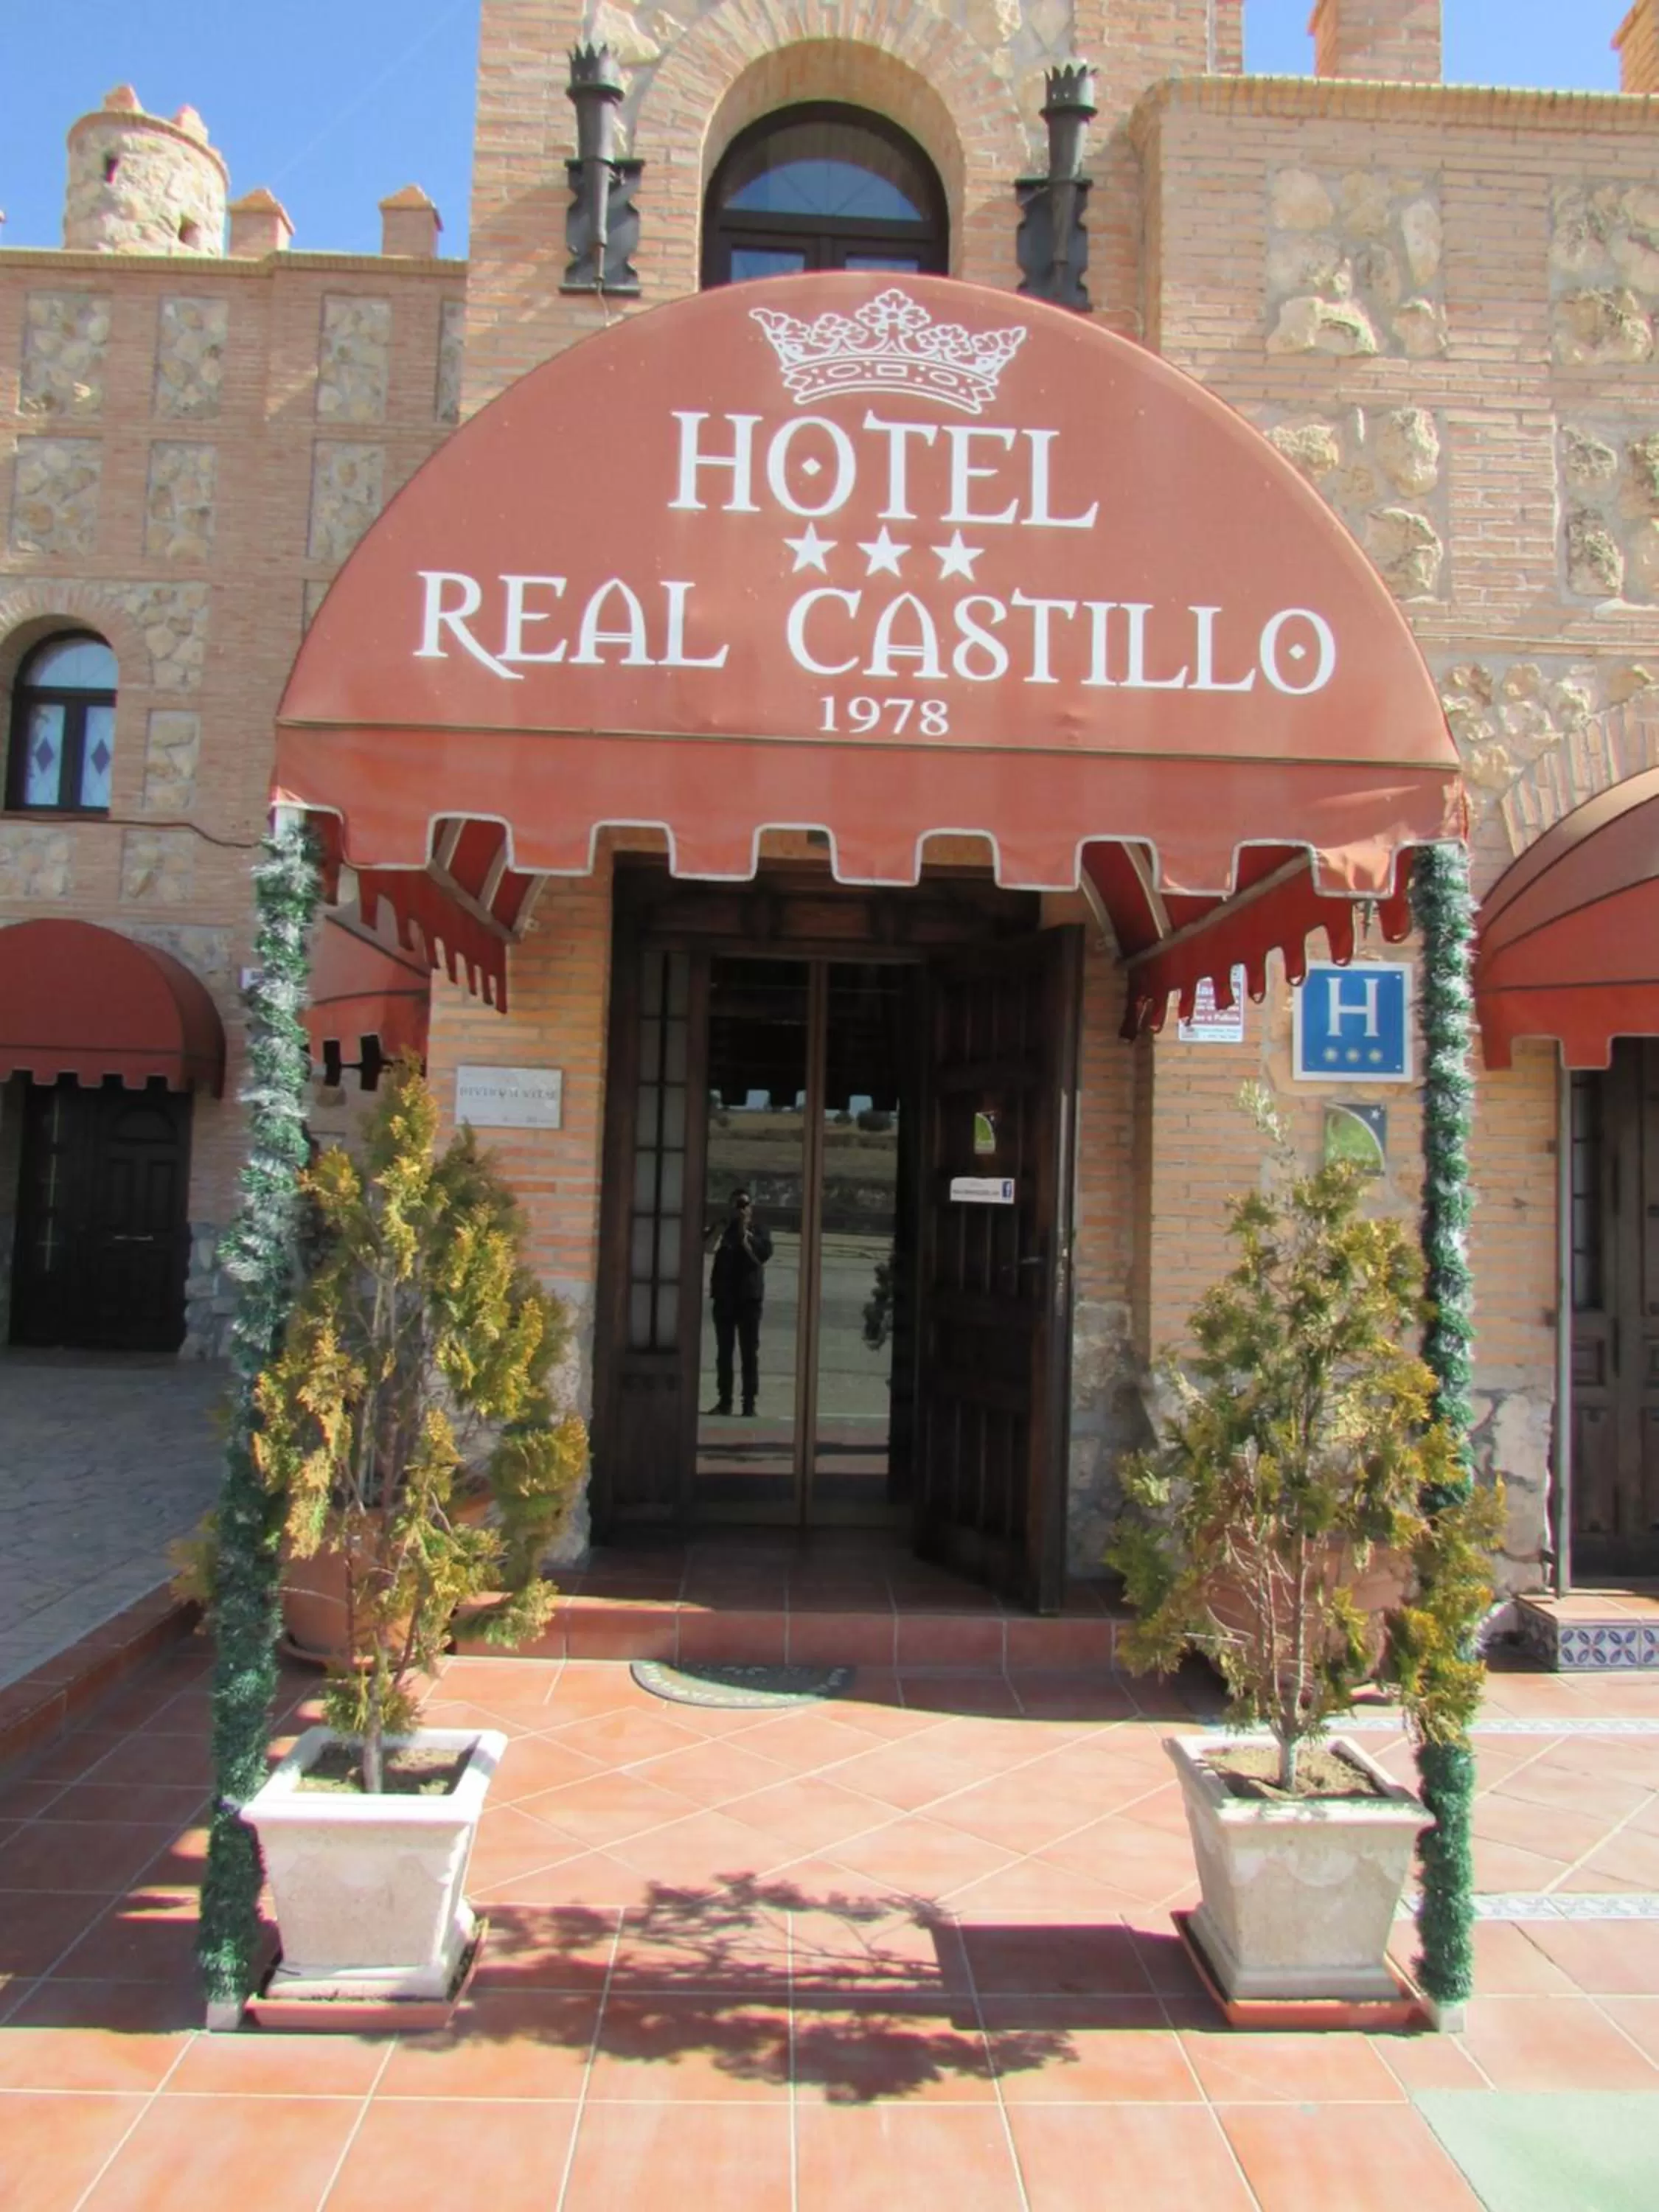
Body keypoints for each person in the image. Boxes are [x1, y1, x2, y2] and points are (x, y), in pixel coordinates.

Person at [707, 1187, 772, 1416]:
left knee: (749, 1352)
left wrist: (745, 1233)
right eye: (736, 1205)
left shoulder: (759, 1231)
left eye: (745, 1205)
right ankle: (725, 1400)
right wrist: (720, 1228)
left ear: (752, 1208)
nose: (740, 1210)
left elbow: (760, 1257)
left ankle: (749, 1403)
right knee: (724, 1352)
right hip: (724, 1297)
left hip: (749, 1299)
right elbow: (706, 1247)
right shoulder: (723, 1228)